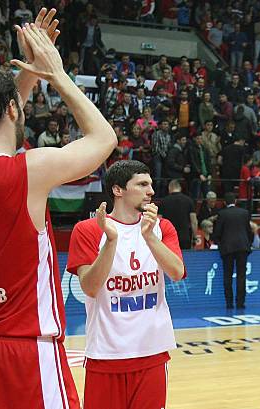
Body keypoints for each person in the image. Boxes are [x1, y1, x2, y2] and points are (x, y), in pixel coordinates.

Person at [0, 10, 116, 408]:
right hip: (26, 353)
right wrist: (55, 73)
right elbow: (104, 138)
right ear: (12, 110)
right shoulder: (28, 172)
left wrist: (30, 73)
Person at [67, 160, 184, 409]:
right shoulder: (88, 230)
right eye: (142, 184)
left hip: (151, 354)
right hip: (105, 355)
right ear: (118, 190)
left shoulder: (162, 228)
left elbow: (176, 272)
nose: (151, 191)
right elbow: (89, 287)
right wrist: (111, 241)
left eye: (151, 184)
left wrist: (149, 236)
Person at [212, 192, 253, 309]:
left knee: (227, 276)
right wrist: (248, 243)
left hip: (227, 248)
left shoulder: (222, 214)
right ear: (235, 201)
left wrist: (219, 243)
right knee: (241, 276)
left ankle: (229, 303)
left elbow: (217, 233)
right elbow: (249, 232)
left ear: (225, 202)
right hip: (242, 247)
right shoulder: (244, 213)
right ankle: (241, 303)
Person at [158, 179, 198, 249]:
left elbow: (158, 220)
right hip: (185, 237)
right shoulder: (189, 200)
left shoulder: (163, 201)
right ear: (180, 188)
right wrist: (195, 236)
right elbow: (194, 221)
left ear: (169, 188)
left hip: (167, 237)